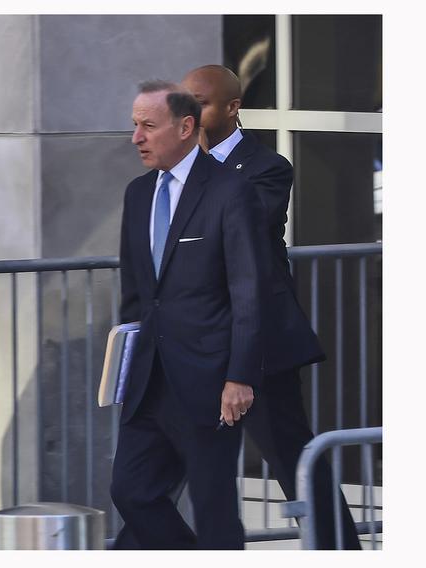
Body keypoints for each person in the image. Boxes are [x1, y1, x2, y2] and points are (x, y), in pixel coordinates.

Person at [181, 64, 360, 549]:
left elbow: (239, 239)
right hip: (194, 343)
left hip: (257, 345)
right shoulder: (175, 172)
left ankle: (338, 548)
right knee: (154, 474)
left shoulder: (266, 167)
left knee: (292, 457)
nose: (189, 113)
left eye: (200, 102)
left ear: (232, 108)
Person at [110, 80, 267, 549]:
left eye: (148, 126)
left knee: (214, 509)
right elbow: (136, 294)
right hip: (148, 382)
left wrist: (239, 376)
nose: (136, 137)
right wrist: (125, 368)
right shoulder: (138, 194)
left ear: (185, 127)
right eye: (134, 125)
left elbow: (248, 291)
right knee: (131, 493)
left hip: (209, 382)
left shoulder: (229, 191)